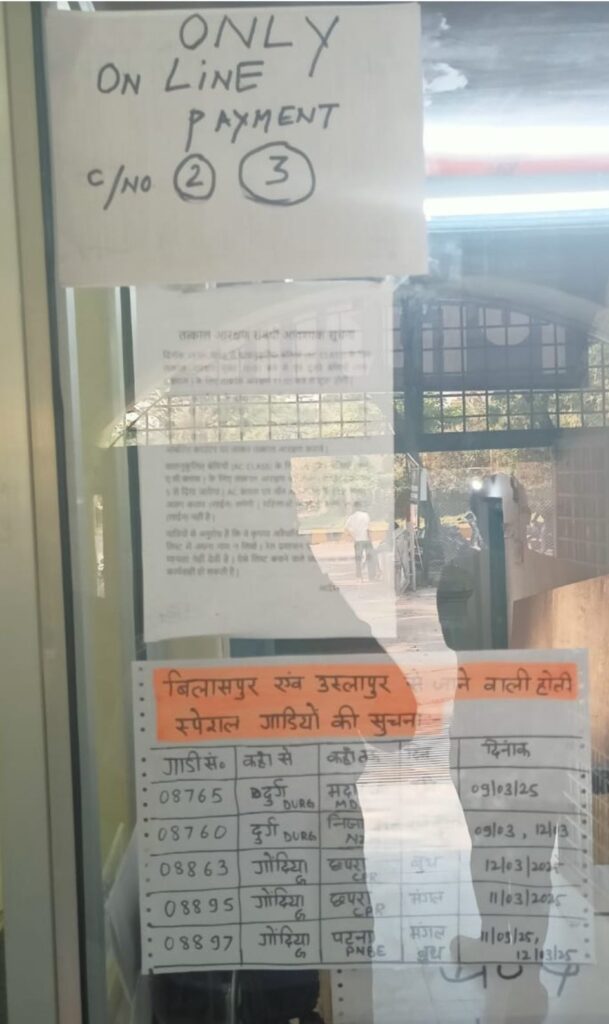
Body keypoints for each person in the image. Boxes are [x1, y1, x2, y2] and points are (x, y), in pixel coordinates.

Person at [345, 501, 379, 581]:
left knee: (358, 559)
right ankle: (372, 576)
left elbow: (346, 529)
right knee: (370, 558)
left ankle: (359, 577)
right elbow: (368, 529)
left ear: (354, 507)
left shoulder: (351, 518)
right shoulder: (366, 515)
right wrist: (370, 539)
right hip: (366, 540)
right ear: (361, 506)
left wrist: (353, 536)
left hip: (357, 541)